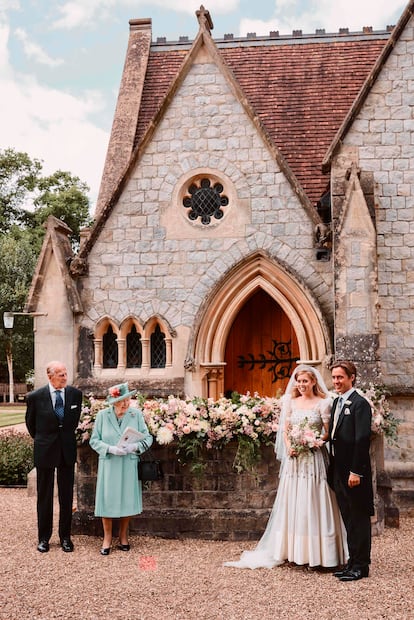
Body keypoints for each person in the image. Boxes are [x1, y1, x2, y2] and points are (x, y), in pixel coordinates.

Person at [224, 364, 347, 570]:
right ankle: (293, 550)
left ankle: (320, 553)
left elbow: (328, 432)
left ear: (314, 382)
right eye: (298, 381)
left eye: (305, 381)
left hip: (313, 459)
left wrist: (315, 441)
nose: (301, 385)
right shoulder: (291, 401)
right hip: (294, 460)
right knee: (295, 499)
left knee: (314, 499)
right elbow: (285, 430)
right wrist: (290, 447)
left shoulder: (323, 403)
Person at [25, 361, 83, 553]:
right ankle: (44, 538)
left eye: (65, 374)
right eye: (60, 374)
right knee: (45, 496)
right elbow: (31, 425)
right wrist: (45, 441)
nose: (65, 377)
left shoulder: (76, 394)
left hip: (67, 451)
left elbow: (73, 423)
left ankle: (65, 537)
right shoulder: (35, 397)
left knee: (66, 496)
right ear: (49, 376)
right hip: (45, 450)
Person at [89, 382, 153, 555]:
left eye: (128, 399)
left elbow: (148, 439)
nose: (126, 403)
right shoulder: (102, 416)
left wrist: (134, 447)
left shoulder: (136, 415)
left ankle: (123, 536)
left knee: (127, 499)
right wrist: (110, 449)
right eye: (122, 400)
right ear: (113, 401)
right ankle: (107, 537)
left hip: (128, 462)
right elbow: (94, 440)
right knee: (107, 500)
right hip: (109, 463)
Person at [328, 360, 374, 582]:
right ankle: (351, 562)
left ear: (352, 377)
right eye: (334, 377)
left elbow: (362, 440)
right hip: (339, 471)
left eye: (340, 377)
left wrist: (356, 471)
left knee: (359, 519)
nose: (336, 381)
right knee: (348, 519)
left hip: (354, 474)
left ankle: (361, 566)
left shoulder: (360, 404)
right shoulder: (337, 402)